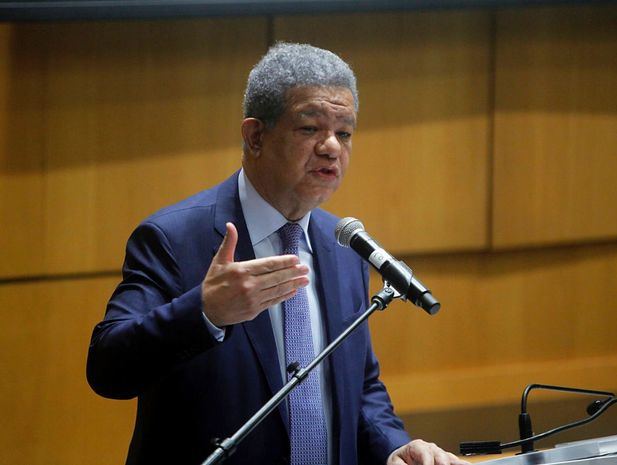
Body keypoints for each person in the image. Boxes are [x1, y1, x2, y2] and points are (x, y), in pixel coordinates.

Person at [87, 42, 468, 465]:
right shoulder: (174, 239)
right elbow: (108, 368)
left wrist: (392, 446)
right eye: (310, 129)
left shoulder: (343, 245)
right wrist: (204, 312)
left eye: (344, 133)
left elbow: (358, 388)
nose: (332, 148)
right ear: (255, 136)